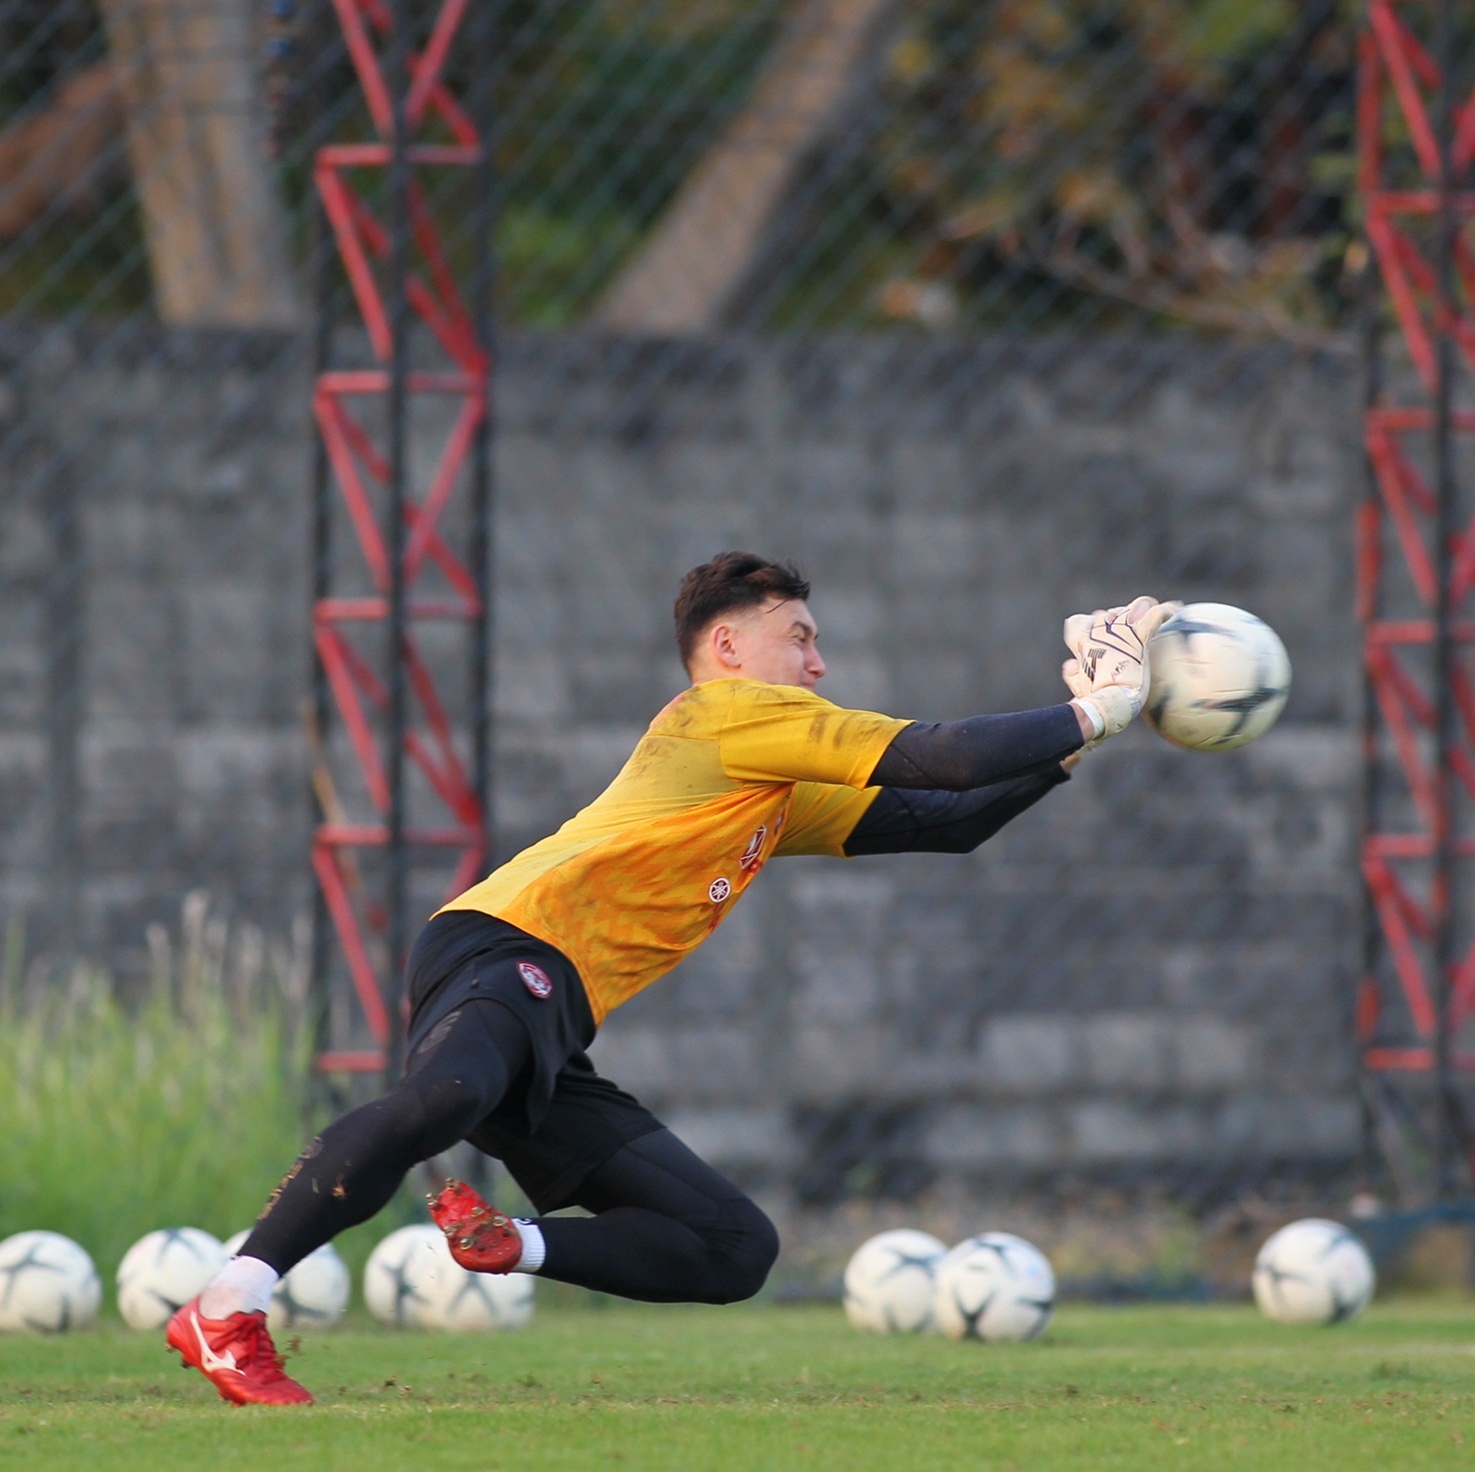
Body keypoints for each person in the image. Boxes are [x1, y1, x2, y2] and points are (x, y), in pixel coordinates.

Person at [168, 552, 1176, 1405]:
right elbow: (943, 757)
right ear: (729, 649)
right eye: (800, 636)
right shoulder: (725, 714)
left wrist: (1082, 745)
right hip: (506, 944)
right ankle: (227, 1305)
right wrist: (1098, 704)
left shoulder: (764, 784)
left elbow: (946, 822)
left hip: (554, 1018)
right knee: (444, 1099)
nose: (818, 661)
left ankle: (505, 1246)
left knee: (731, 1247)